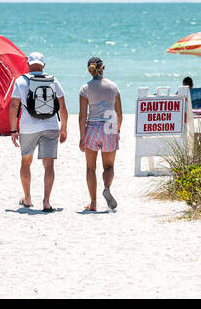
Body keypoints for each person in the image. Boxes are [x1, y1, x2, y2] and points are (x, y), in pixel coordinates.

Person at [9, 52, 68, 212]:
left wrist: (13, 129)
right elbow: (62, 106)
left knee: (26, 162)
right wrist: (64, 128)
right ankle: (46, 202)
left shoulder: (21, 81)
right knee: (49, 165)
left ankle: (27, 199)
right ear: (44, 65)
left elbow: (14, 106)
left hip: (28, 128)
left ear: (28, 64)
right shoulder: (53, 80)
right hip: (50, 127)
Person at [78, 56, 123, 212]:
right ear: (103, 67)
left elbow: (82, 115)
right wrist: (117, 130)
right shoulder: (113, 87)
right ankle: (106, 188)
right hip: (109, 127)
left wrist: (82, 136)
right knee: (109, 166)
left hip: (92, 127)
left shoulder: (85, 88)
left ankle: (93, 203)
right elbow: (119, 113)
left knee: (91, 168)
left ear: (89, 69)